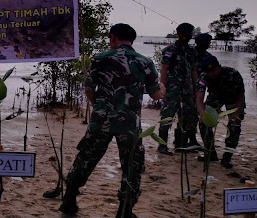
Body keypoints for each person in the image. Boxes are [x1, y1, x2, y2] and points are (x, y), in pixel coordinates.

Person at [59, 23, 165, 217]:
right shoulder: (145, 62)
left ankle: (69, 200)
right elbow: (157, 95)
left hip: (101, 119)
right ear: (132, 39)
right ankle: (125, 210)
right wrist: (163, 87)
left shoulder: (100, 59)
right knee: (132, 164)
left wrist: (98, 106)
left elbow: (89, 89)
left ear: (113, 37)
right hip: (130, 124)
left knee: (86, 158)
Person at [195, 55, 245, 168]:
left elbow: (240, 96)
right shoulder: (204, 76)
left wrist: (236, 114)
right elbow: (199, 97)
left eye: (213, 70)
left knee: (234, 124)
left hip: (233, 98)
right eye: (208, 71)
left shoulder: (233, 74)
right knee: (204, 123)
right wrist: (202, 112)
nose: (211, 74)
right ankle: (210, 153)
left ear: (219, 67)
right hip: (215, 97)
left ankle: (227, 158)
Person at [158, 23, 198, 155]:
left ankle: (181, 144)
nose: (188, 35)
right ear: (179, 33)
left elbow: (193, 70)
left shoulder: (192, 51)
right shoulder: (170, 50)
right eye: (186, 32)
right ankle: (162, 145)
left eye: (190, 33)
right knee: (167, 116)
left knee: (186, 117)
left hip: (188, 89)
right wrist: (162, 85)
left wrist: (196, 87)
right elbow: (164, 68)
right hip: (172, 88)